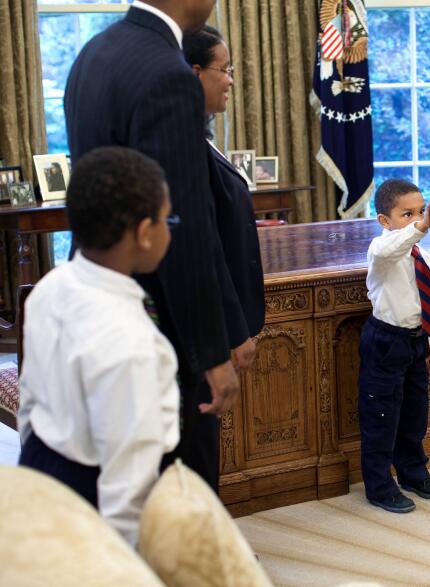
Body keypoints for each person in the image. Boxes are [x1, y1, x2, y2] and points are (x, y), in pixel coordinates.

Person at [64, 0, 241, 491]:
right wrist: (211, 351)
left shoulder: (93, 54)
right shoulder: (167, 73)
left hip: (98, 300)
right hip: (159, 323)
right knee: (178, 485)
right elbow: (182, 224)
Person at [18, 146, 178, 547]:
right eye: (166, 219)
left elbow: (29, 400)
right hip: (94, 493)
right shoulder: (130, 342)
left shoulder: (50, 287)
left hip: (40, 462)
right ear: (144, 234)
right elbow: (128, 481)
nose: (170, 230)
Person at [359, 179, 430, 514]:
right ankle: (379, 486)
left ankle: (413, 472)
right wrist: (422, 226)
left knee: (414, 412)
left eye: (420, 212)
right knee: (381, 415)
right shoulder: (381, 252)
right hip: (385, 341)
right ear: (385, 221)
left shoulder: (423, 255)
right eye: (406, 213)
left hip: (415, 341)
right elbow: (390, 248)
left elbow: (428, 296)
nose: (416, 219)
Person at [184, 25, 264, 368]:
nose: (231, 80)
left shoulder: (199, 135)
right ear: (195, 72)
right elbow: (204, 246)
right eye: (225, 69)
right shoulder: (183, 145)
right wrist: (232, 330)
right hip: (210, 330)